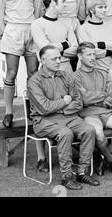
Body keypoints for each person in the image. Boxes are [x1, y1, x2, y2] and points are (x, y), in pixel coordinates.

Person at [27, 45, 98, 190]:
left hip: (68, 117)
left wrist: (62, 110)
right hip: (43, 121)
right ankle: (67, 177)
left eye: (59, 58)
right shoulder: (34, 81)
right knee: (65, 133)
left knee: (89, 130)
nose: (58, 61)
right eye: (54, 59)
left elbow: (78, 102)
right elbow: (44, 108)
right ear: (42, 60)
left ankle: (82, 172)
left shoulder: (66, 76)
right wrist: (64, 101)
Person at [0, 0, 41, 128]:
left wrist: (34, 30)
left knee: (33, 73)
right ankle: (8, 112)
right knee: (11, 73)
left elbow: (37, 12)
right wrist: (4, 32)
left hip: (30, 30)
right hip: (12, 30)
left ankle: (32, 110)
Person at [73, 42, 112, 176]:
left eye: (94, 54)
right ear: (79, 56)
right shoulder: (74, 77)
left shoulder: (104, 74)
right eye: (89, 54)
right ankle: (111, 160)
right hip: (88, 115)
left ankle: (102, 157)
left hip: (107, 112)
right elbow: (83, 100)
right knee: (99, 133)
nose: (93, 57)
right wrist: (102, 95)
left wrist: (91, 96)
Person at [31, 0, 78, 73]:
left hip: (67, 70)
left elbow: (75, 49)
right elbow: (46, 50)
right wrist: (66, 44)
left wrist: (56, 50)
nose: (65, 5)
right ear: (53, 3)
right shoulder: (37, 24)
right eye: (63, 1)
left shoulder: (67, 23)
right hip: (48, 72)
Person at [78, 0, 112, 71]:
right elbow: (88, 51)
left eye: (105, 7)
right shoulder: (83, 28)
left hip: (110, 69)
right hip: (92, 70)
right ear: (91, 10)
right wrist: (110, 53)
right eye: (100, 7)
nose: (104, 10)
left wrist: (100, 44)